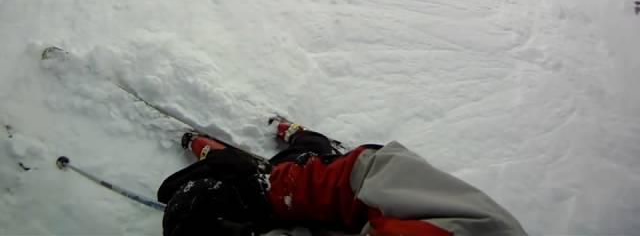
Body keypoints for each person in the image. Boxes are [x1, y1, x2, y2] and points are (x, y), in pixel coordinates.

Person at [158, 118, 527, 236]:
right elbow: (378, 174)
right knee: (311, 154)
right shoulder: (472, 229)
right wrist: (277, 189)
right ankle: (299, 137)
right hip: (325, 194)